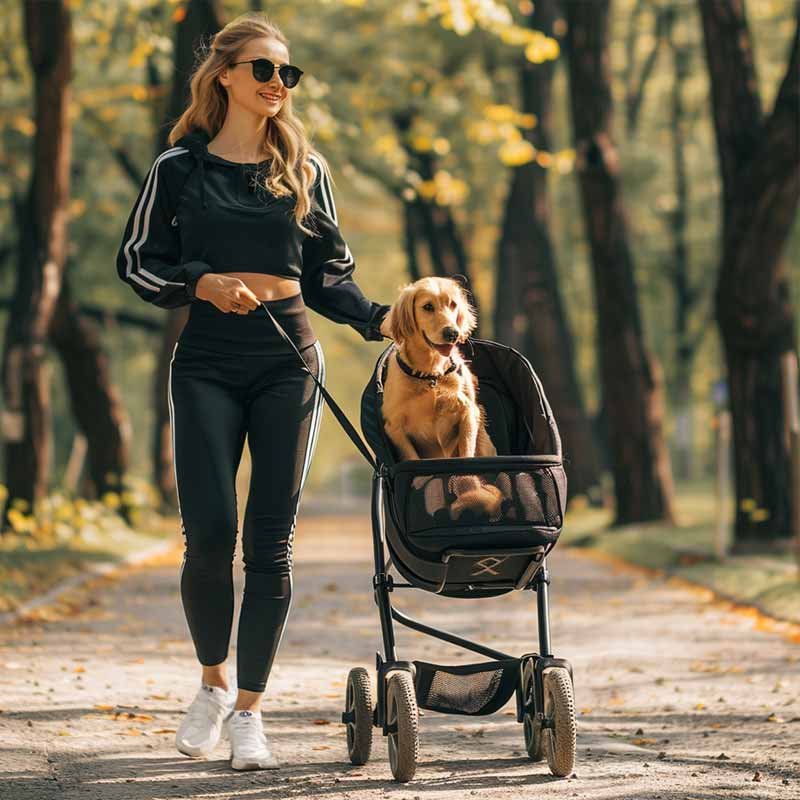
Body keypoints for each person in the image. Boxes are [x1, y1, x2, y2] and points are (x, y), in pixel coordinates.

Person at [115, 12, 391, 771]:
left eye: (287, 74)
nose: (277, 84)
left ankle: (249, 714)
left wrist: (381, 321)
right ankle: (210, 683)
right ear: (225, 75)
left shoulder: (306, 169)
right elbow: (137, 262)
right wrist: (199, 283)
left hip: (287, 359)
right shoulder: (178, 168)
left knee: (271, 545)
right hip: (205, 359)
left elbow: (330, 278)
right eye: (264, 70)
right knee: (209, 537)